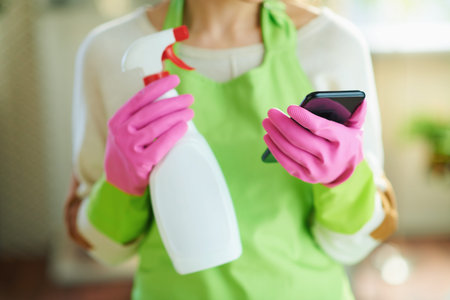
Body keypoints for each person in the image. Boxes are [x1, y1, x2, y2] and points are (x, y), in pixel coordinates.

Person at [65, 0, 398, 298]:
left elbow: (357, 243)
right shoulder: (110, 52)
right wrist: (120, 188)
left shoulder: (335, 44)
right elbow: (105, 250)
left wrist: (344, 180)